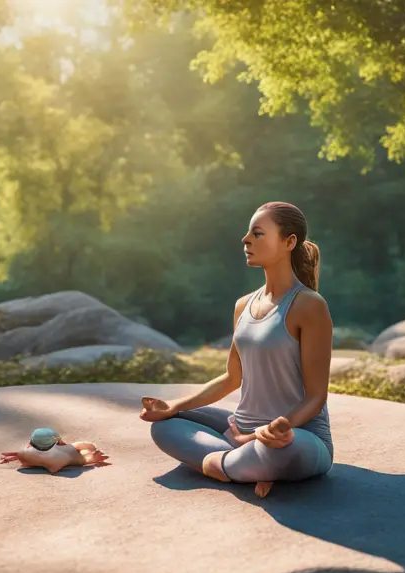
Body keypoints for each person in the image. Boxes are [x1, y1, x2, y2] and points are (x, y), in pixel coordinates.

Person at [140, 201, 334, 498]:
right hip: (240, 428)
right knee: (165, 426)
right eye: (248, 233)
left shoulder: (309, 306)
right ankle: (246, 465)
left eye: (257, 233)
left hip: (297, 437)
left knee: (283, 451)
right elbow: (232, 378)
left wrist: (283, 425)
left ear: (289, 242)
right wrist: (174, 406)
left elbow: (316, 396)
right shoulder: (243, 305)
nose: (245, 239)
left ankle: (234, 464)